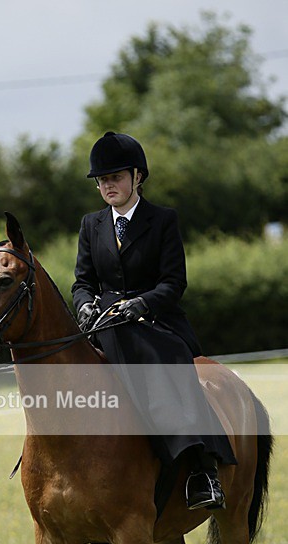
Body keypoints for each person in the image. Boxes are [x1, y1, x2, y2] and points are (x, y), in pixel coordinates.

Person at [72, 131, 236, 510]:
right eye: (101, 180)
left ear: (137, 177)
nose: (107, 185)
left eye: (115, 177)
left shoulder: (162, 220)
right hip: (105, 322)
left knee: (165, 361)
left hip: (156, 321)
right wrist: (83, 305)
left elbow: (174, 282)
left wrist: (141, 304)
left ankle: (201, 468)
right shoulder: (90, 225)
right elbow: (82, 281)